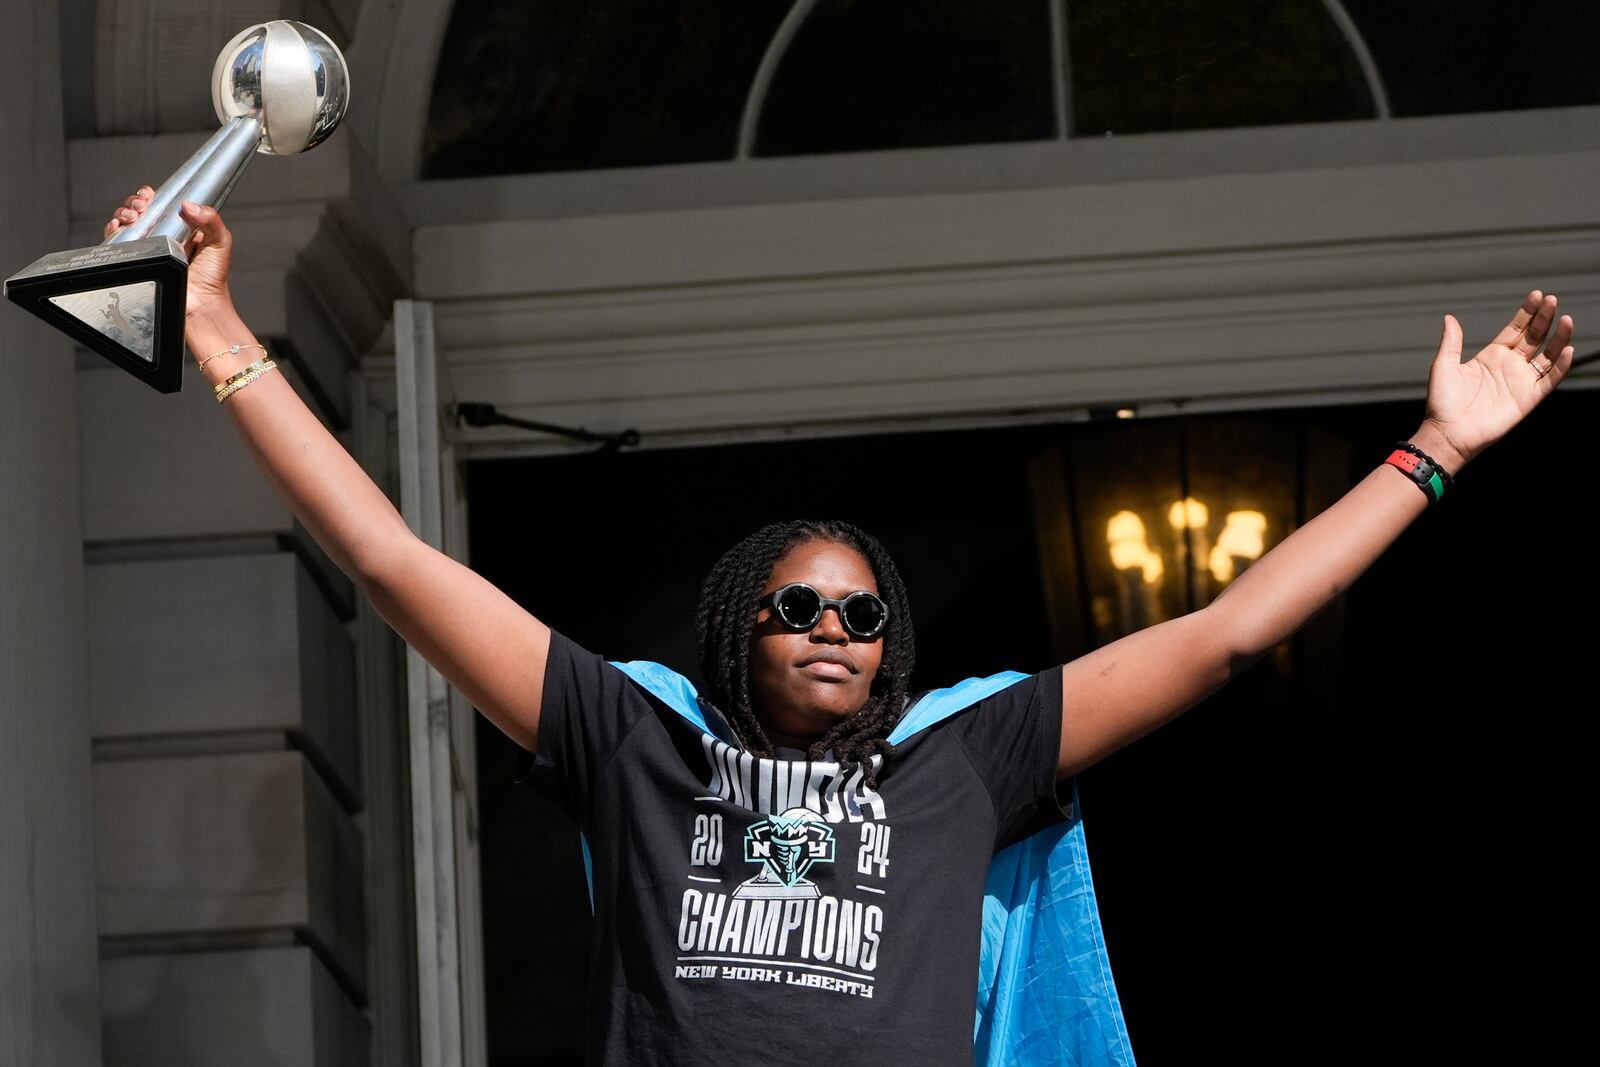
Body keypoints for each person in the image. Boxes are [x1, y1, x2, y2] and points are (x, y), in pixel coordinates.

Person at [105, 189, 1576, 1065]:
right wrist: (226, 333)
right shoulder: (636, 736)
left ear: (891, 649)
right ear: (739, 630)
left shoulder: (963, 761)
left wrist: (1433, 455)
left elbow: (1232, 630)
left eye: (861, 614)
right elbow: (393, 559)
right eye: (796, 606)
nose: (830, 627)